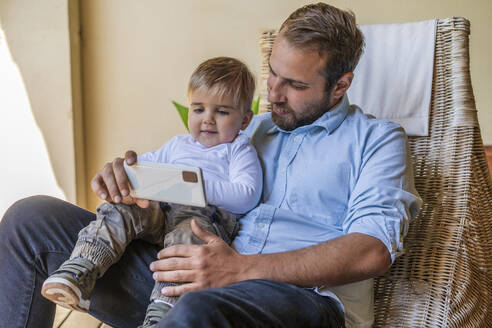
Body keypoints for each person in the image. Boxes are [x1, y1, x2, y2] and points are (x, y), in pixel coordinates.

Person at [0, 3, 421, 328]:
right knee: (30, 220)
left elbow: (373, 250)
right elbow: (184, 182)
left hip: (300, 300)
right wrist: (137, 181)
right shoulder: (245, 129)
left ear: (340, 85)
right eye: (272, 74)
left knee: (198, 307)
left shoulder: (377, 140)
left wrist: (240, 270)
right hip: (190, 279)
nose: (273, 94)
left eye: (294, 85)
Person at [40, 56, 262, 327]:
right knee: (123, 209)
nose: (208, 120)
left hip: (203, 218)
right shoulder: (177, 145)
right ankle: (81, 269)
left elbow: (247, 194)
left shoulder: (238, 149)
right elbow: (144, 169)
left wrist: (194, 187)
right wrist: (128, 173)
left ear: (245, 119)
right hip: (160, 210)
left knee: (188, 242)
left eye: (222, 112)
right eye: (199, 109)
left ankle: (163, 310)